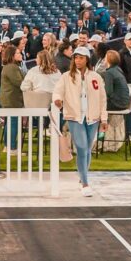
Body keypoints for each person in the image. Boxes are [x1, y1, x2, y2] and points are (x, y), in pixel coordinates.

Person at [53, 45, 107, 197]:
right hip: (74, 116)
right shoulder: (66, 76)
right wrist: (57, 99)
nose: (77, 60)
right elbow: (58, 91)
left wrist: (104, 118)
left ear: (87, 59)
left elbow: (103, 99)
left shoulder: (96, 77)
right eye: (75, 57)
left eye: (81, 58)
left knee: (88, 148)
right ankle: (85, 183)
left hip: (93, 118)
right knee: (82, 147)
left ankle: (83, 176)